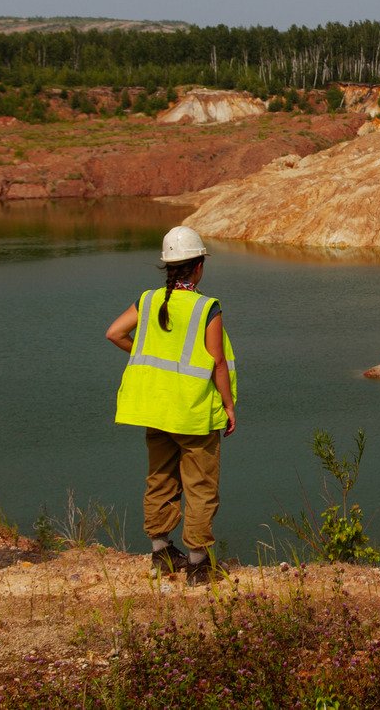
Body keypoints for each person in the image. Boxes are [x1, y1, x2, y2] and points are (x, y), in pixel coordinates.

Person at [105, 225, 237, 585]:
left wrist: (145, 352)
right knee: (199, 486)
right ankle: (198, 564)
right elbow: (218, 362)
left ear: (168, 266)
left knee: (160, 479)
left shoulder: (148, 300)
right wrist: (228, 405)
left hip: (155, 409)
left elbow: (114, 333)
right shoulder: (206, 307)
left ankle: (161, 553)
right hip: (193, 412)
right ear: (198, 267)